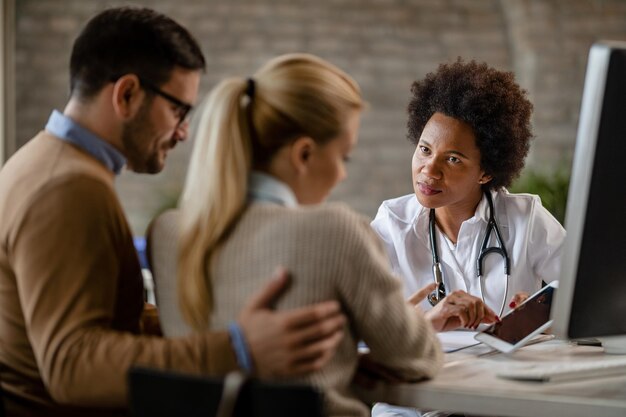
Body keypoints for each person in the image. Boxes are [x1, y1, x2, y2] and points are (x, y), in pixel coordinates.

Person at [0, 8, 346, 417]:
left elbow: (105, 320)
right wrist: (239, 348)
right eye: (179, 111)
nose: (183, 133)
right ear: (126, 94)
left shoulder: (44, 161)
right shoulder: (68, 186)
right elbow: (72, 365)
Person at [148, 53, 444, 417]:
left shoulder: (167, 233)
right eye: (343, 157)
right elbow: (419, 358)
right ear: (303, 154)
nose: (342, 175)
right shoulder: (335, 231)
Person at [370, 60, 566, 416]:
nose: (429, 170)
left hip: (503, 399)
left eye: (454, 159)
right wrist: (425, 326)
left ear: (486, 171)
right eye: (425, 150)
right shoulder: (391, 225)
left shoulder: (527, 219)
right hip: (418, 404)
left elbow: (588, 300)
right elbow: (356, 337)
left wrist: (543, 313)